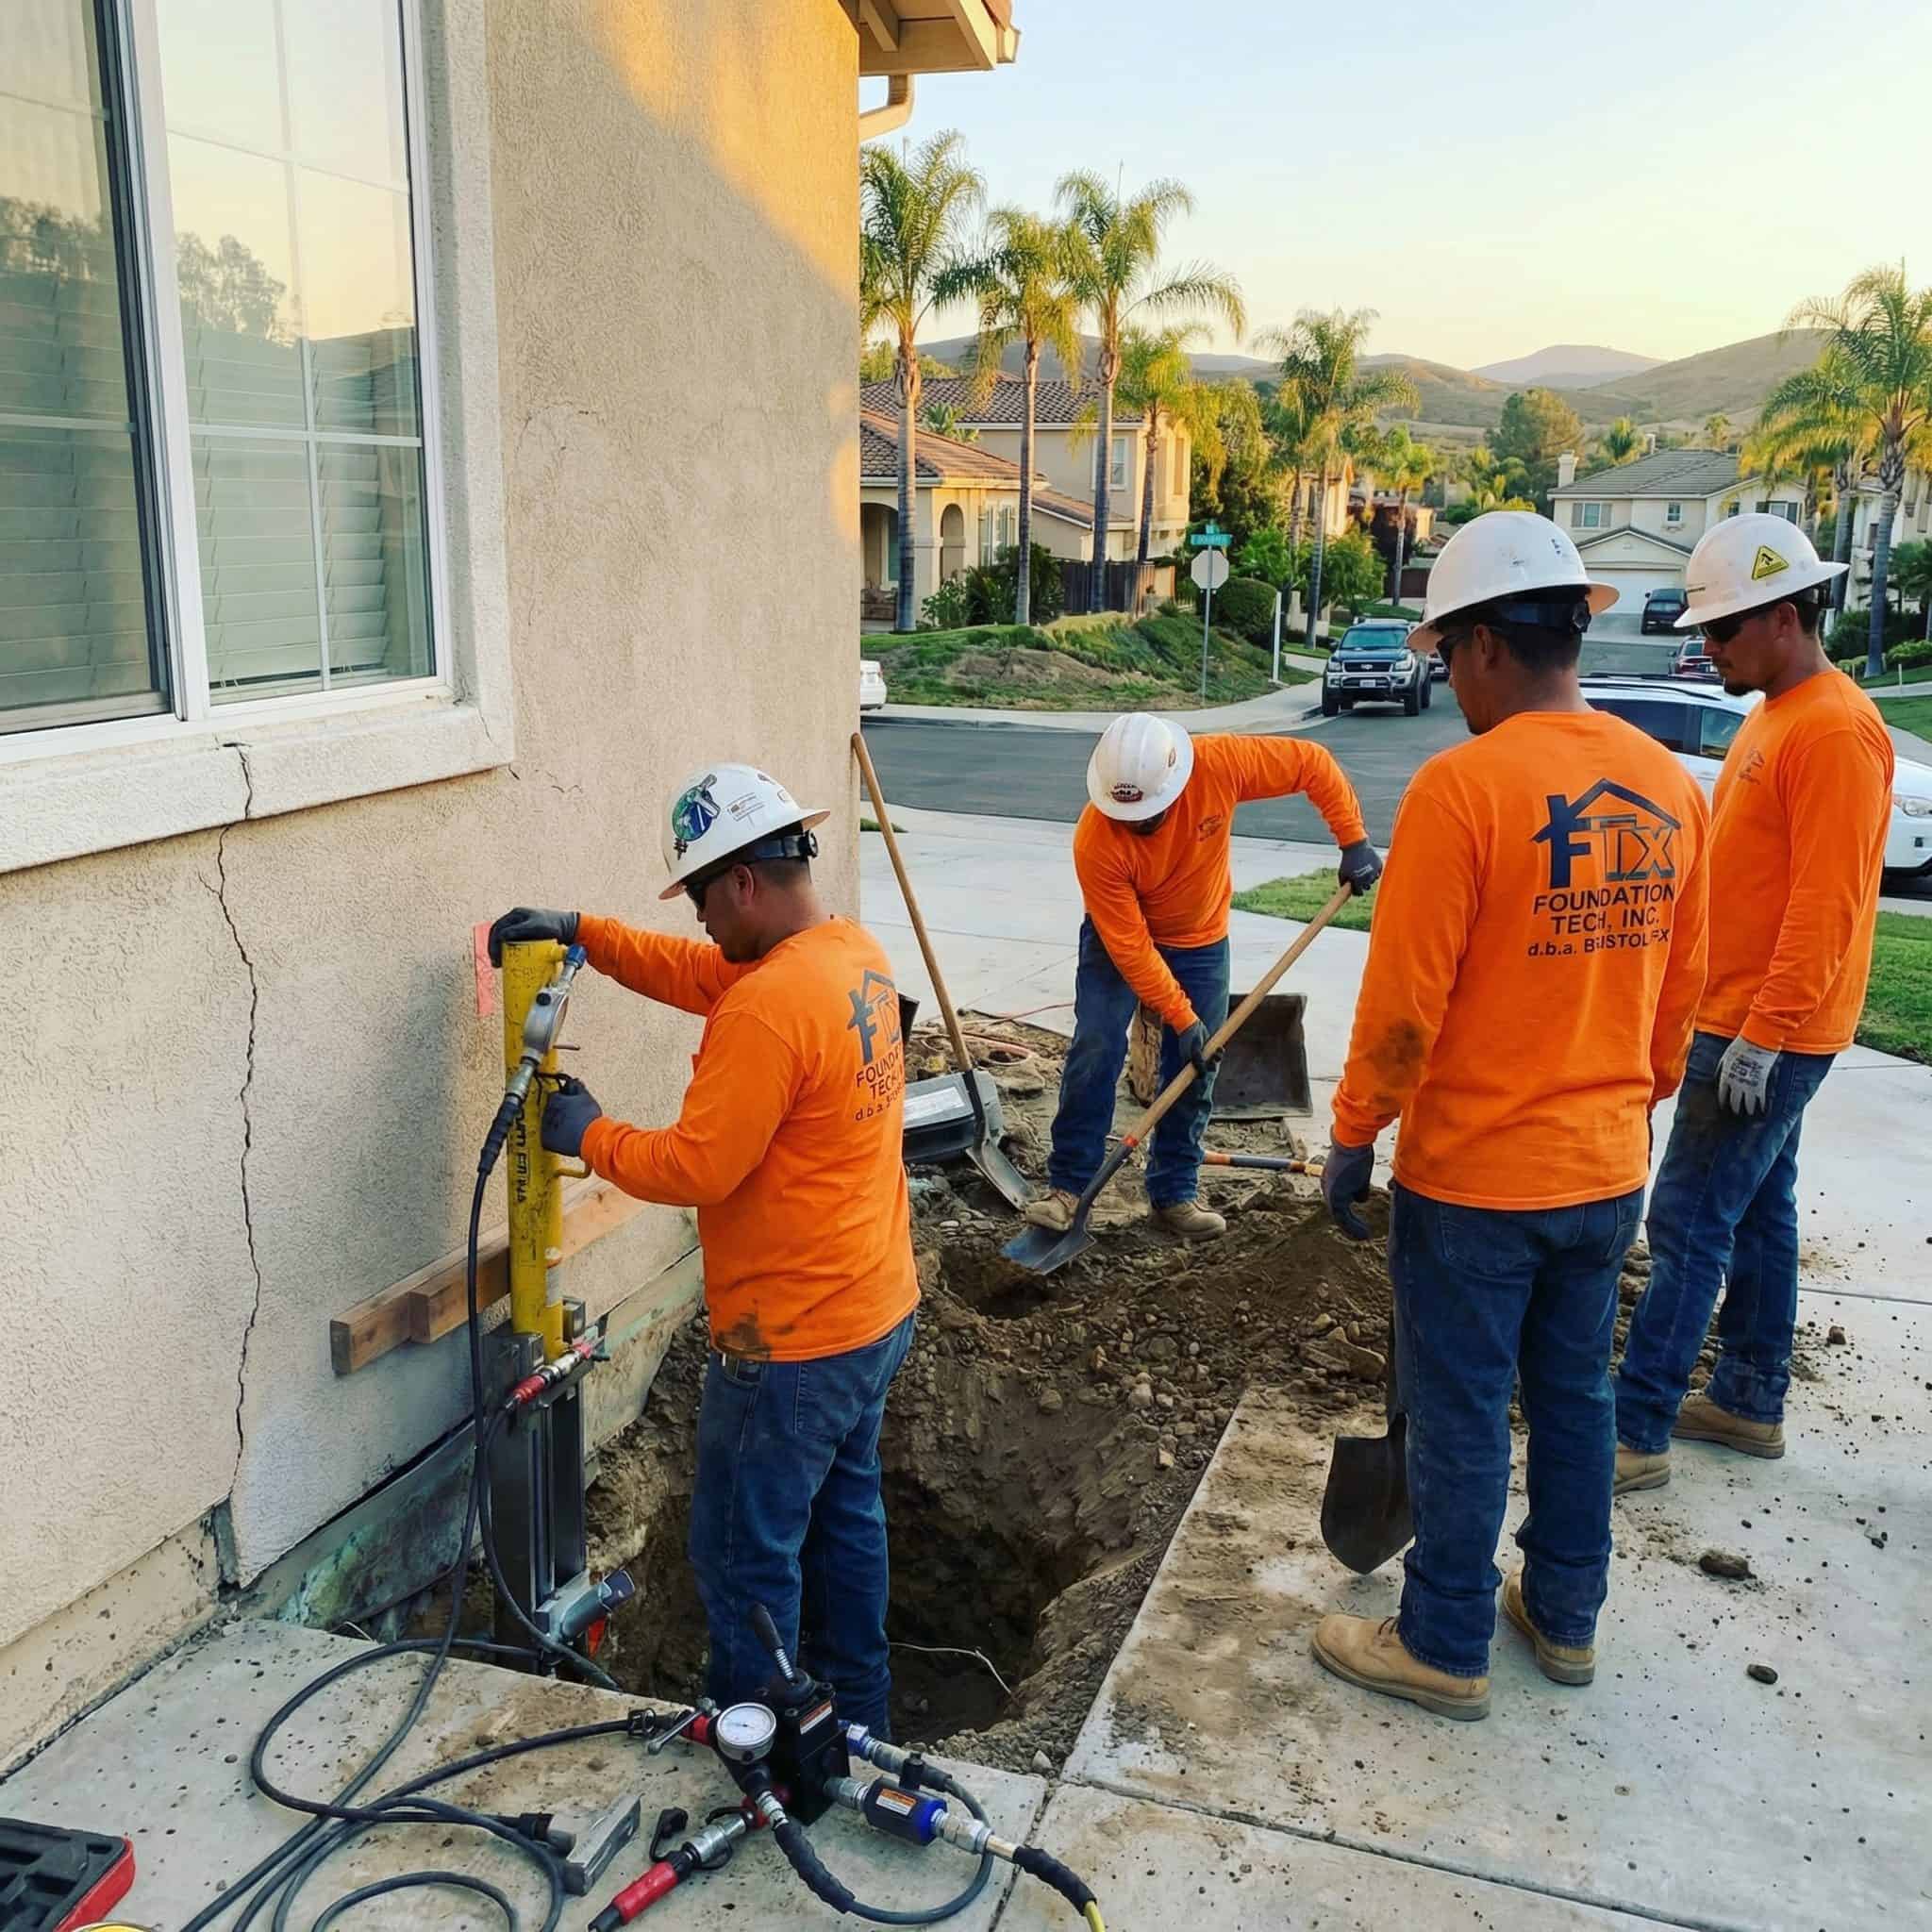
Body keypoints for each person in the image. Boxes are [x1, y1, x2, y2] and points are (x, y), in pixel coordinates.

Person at [1311, 512, 1709, 1722]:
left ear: (1485, 644)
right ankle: (1564, 1615)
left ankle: (1440, 1640)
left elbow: (1401, 1009)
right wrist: (1621, 1100)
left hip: (1476, 1180)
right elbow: (1677, 995)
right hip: (1600, 1173)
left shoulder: (1461, 788)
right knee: (1577, 1396)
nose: (1445, 676)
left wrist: (1350, 1132)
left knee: (1462, 1409)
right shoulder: (1663, 784)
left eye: (1446, 651)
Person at [488, 762, 917, 1739]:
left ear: (743, 885)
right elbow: (699, 975)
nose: (698, 926)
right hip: (873, 1308)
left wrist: (586, 1132)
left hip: (790, 1345)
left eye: (700, 902)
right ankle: (860, 1721)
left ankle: (756, 1736)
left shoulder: (768, 1006)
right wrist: (584, 932)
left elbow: (696, 1166)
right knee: (846, 1521)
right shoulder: (849, 954)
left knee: (742, 1552)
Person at [1615, 517, 1892, 1490]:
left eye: (1722, 631)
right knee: (1760, 1211)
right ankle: (1745, 1397)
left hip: (1759, 1031)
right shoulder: (1780, 711)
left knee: (1686, 1220)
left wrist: (1761, 1038)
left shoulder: (1834, 729)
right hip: (1738, 1015)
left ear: (1781, 617)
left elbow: (1829, 902)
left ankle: (1634, 1428)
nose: (1707, 648)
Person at [1022, 716, 1379, 1241]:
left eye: (1148, 814)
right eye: (1127, 815)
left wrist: (1353, 840)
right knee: (1095, 1047)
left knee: (1196, 1065)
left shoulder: (1218, 764)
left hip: (1199, 937)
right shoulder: (1095, 841)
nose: (1138, 825)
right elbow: (1131, 949)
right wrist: (1180, 1014)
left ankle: (1173, 1193)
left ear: (1174, 782)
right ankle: (1070, 1188)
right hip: (1119, 941)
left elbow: (1312, 764)